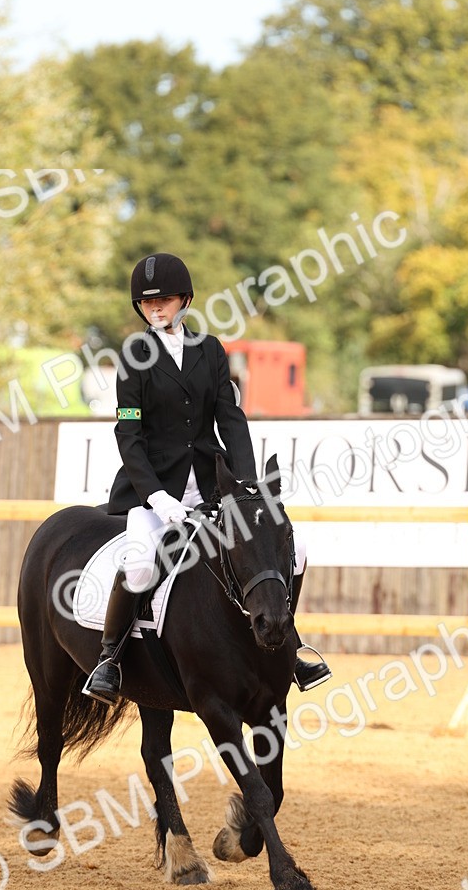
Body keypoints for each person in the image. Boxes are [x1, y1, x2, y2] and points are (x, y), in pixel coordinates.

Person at [84, 252, 332, 705]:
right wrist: (157, 497)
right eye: (147, 303)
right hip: (154, 490)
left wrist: (247, 485)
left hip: (215, 481)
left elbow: (230, 420)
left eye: (165, 300)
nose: (156, 309)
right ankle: (109, 659)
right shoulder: (132, 357)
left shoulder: (210, 350)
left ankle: (289, 645)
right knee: (141, 562)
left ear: (185, 300)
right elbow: (129, 433)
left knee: (294, 552)